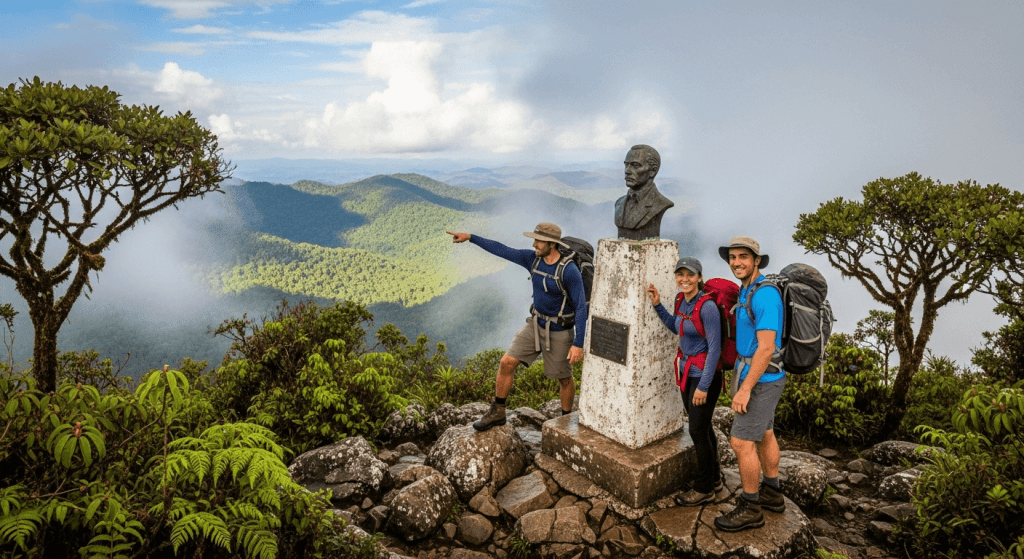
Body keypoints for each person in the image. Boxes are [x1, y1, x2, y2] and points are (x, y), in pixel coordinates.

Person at [446, 223, 587, 430]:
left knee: (564, 379)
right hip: (535, 324)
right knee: (507, 362)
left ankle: (565, 421)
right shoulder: (532, 259)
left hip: (560, 330)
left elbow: (581, 307)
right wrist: (470, 237)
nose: (534, 244)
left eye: (538, 241)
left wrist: (578, 343)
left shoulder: (569, 271)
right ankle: (498, 412)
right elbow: (502, 250)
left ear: (551, 243)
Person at [713, 236, 787, 532]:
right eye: (732, 257)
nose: (736, 263)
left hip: (761, 378)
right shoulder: (749, 289)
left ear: (757, 261)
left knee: (741, 442)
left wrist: (745, 388)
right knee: (765, 432)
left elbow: (766, 347)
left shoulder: (764, 295)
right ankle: (772, 492)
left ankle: (751, 507)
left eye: (743, 257)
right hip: (761, 375)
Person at [646, 257, 724, 506]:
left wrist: (703, 386)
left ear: (699, 278)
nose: (685, 279)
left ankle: (704, 490)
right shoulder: (681, 301)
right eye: (680, 274)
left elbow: (715, 350)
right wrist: (658, 305)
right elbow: (675, 326)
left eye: (690, 275)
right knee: (703, 428)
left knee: (697, 431)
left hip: (704, 376)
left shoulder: (708, 307)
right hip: (687, 373)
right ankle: (714, 478)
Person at [613, 144, 674, 241]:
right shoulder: (619, 203)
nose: (627, 171)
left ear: (652, 171)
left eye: (635, 166)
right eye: (626, 165)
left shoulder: (660, 203)